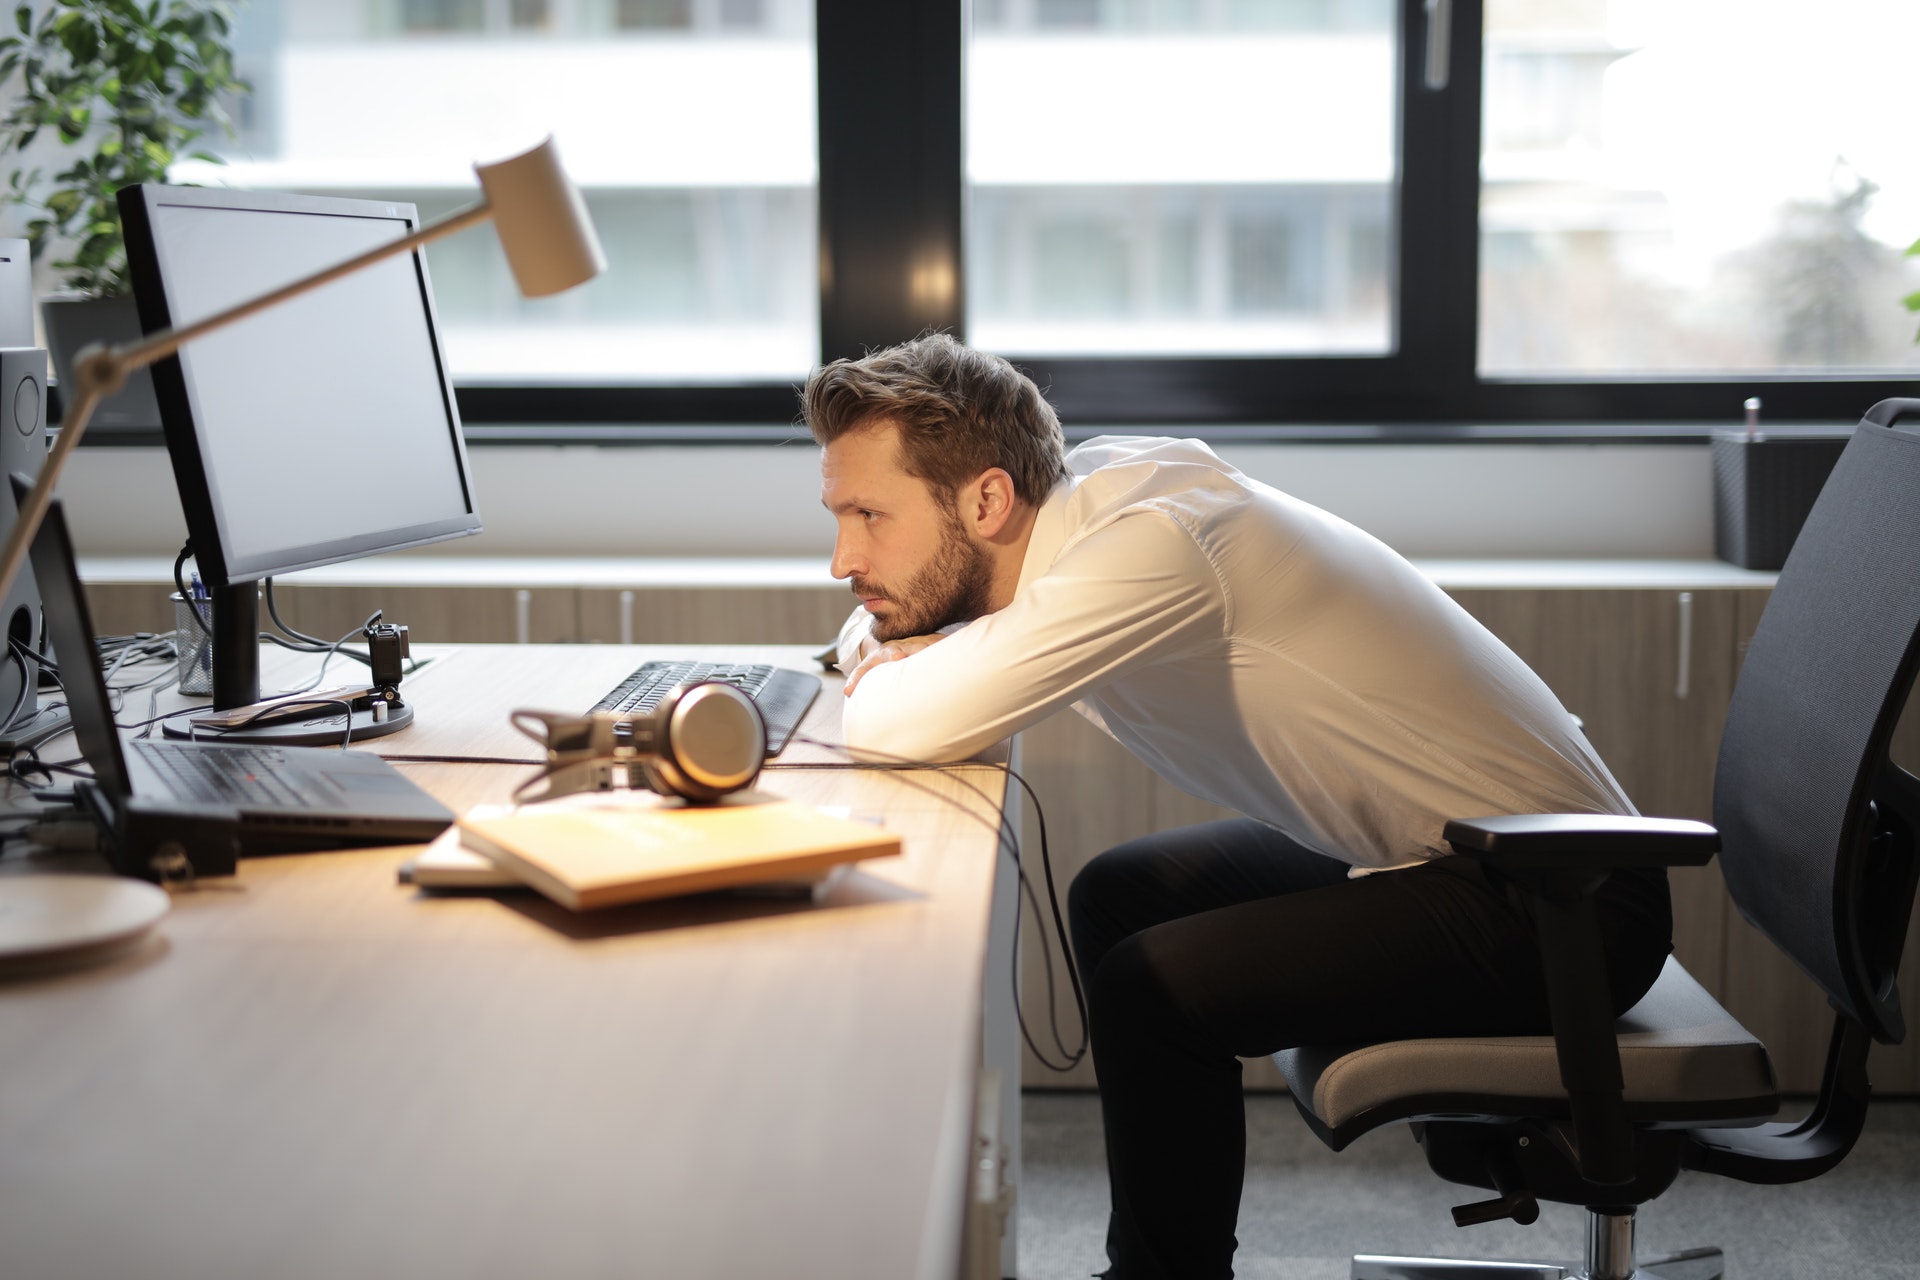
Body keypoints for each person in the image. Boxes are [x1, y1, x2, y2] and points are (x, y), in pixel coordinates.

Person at [808, 333, 1672, 1280]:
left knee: (1153, 987)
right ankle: (1160, 1260)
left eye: (870, 516)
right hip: (1453, 853)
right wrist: (893, 647)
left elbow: (896, 721)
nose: (845, 557)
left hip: (1564, 895)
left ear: (987, 499)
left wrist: (895, 663)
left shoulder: (1151, 547)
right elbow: (877, 644)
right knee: (1118, 893)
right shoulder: (1088, 498)